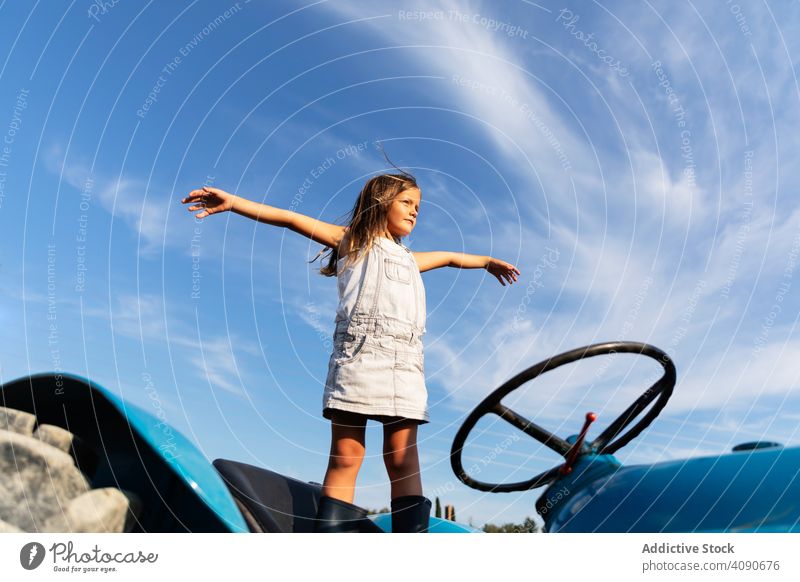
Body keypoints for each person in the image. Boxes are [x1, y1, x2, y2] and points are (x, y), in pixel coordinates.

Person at [181, 170, 520, 533]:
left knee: (403, 460)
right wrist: (233, 203)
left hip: (405, 367)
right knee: (347, 455)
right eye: (406, 203)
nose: (414, 212)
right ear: (380, 202)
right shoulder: (353, 242)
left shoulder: (411, 259)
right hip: (358, 360)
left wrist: (486, 261)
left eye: (418, 207)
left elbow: (452, 257)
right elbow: (290, 218)